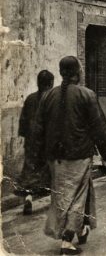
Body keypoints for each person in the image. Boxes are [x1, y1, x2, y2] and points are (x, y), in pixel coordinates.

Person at [29, 57, 106, 254]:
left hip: (55, 158)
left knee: (64, 195)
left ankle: (82, 228)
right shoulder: (86, 94)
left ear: (61, 73)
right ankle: (67, 241)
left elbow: (38, 129)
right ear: (78, 73)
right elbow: (99, 128)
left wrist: (37, 157)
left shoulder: (48, 96)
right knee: (76, 197)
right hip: (79, 156)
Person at [16, 70, 54, 215]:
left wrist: (26, 137)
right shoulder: (52, 99)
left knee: (30, 171)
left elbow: (23, 121)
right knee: (50, 171)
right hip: (47, 142)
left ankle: (28, 198)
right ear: (50, 83)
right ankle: (54, 201)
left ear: (38, 83)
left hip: (32, 142)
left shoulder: (30, 98)